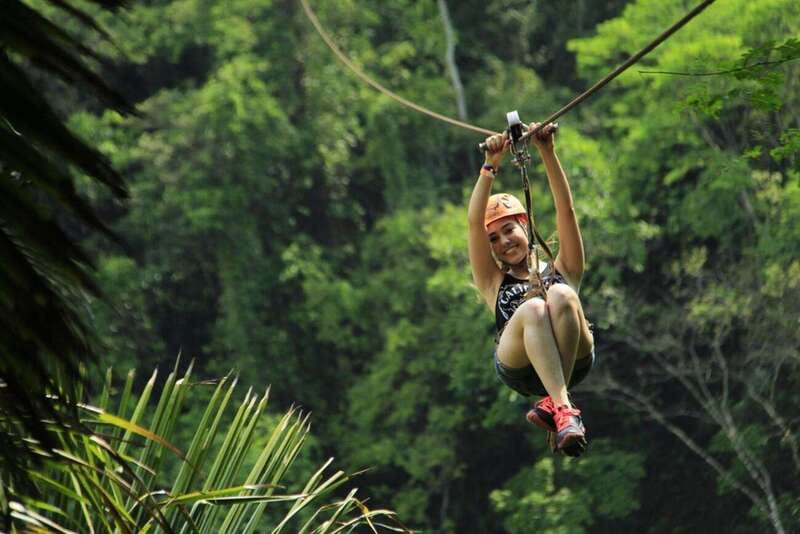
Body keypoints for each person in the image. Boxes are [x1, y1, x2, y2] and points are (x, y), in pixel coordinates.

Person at [467, 123, 595, 456]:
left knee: (562, 293)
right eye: (494, 239)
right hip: (521, 366)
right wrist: (490, 166)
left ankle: (557, 406)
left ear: (524, 225)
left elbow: (566, 211)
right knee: (534, 308)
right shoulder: (493, 281)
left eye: (509, 229)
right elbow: (473, 225)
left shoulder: (565, 268)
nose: (504, 241)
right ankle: (564, 408)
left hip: (574, 359)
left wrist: (547, 152)